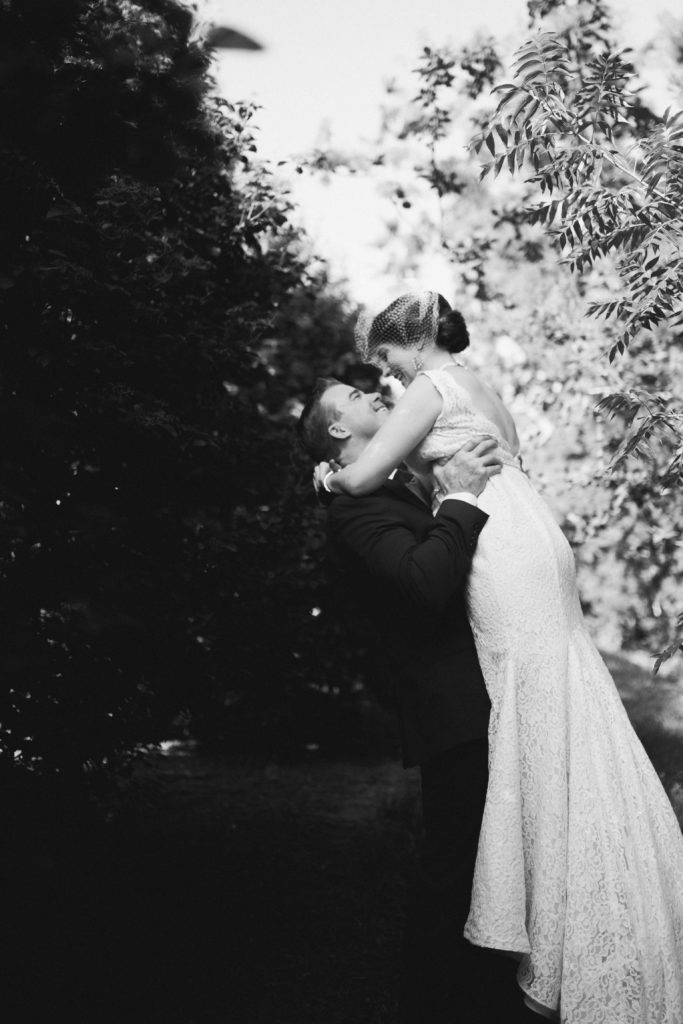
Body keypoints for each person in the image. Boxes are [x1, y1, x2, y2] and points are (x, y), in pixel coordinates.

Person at [312, 291, 683, 1023]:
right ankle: (576, 880)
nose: (384, 376)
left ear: (411, 341)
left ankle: (548, 897)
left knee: (530, 704)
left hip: (498, 543)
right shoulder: (479, 387)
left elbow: (357, 477)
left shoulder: (427, 387)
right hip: (532, 532)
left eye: (384, 357)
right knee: (559, 695)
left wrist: (324, 477)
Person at [298, 379, 539, 1023]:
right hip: (451, 707)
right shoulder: (352, 513)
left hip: (488, 691)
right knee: (455, 871)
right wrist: (459, 495)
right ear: (338, 431)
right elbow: (424, 582)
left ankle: (490, 996)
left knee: (493, 862)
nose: (374, 394)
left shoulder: (386, 486)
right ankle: (432, 1004)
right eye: (354, 395)